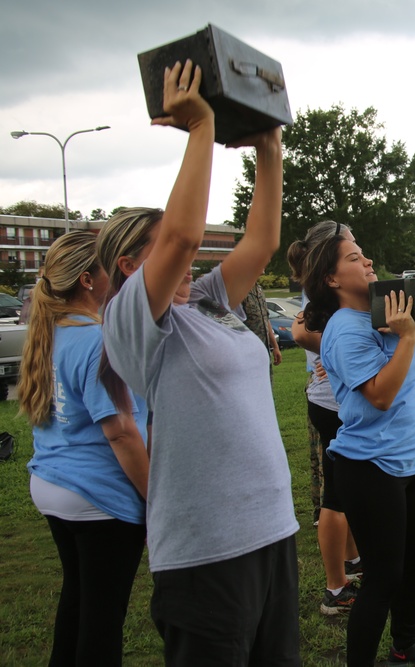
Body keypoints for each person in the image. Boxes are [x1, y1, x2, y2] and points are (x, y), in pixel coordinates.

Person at [98, 60, 300, 665]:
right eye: (163, 251)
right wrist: (201, 128)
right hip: (207, 550)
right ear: (130, 266)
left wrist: (269, 147)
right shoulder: (132, 320)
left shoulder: (208, 301)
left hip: (270, 528)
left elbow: (261, 242)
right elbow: (183, 236)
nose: (186, 259)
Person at [300, 233, 415, 666]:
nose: (367, 261)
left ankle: (405, 647)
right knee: (383, 577)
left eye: (365, 255)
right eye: (354, 258)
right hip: (370, 466)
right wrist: (406, 338)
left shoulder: (384, 317)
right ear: (331, 278)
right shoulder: (344, 328)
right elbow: (380, 396)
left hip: (412, 459)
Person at [17, 231, 149, 666]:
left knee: (77, 603)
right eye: (109, 266)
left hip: (53, 485)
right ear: (88, 280)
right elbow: (121, 433)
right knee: (102, 620)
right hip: (98, 497)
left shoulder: (51, 330)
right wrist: (155, 498)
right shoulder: (96, 340)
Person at [287, 221, 362, 617]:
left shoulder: (338, 288)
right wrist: (334, 352)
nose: (359, 253)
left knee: (346, 489)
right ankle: (335, 588)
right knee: (337, 494)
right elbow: (300, 332)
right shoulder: (319, 291)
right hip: (331, 404)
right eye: (351, 246)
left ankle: (352, 561)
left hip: (338, 401)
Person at [241, 280, 282, 382]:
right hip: (247, 353)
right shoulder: (239, 291)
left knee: (267, 384)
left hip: (264, 351)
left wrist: (275, 346)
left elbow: (266, 319)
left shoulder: (259, 289)